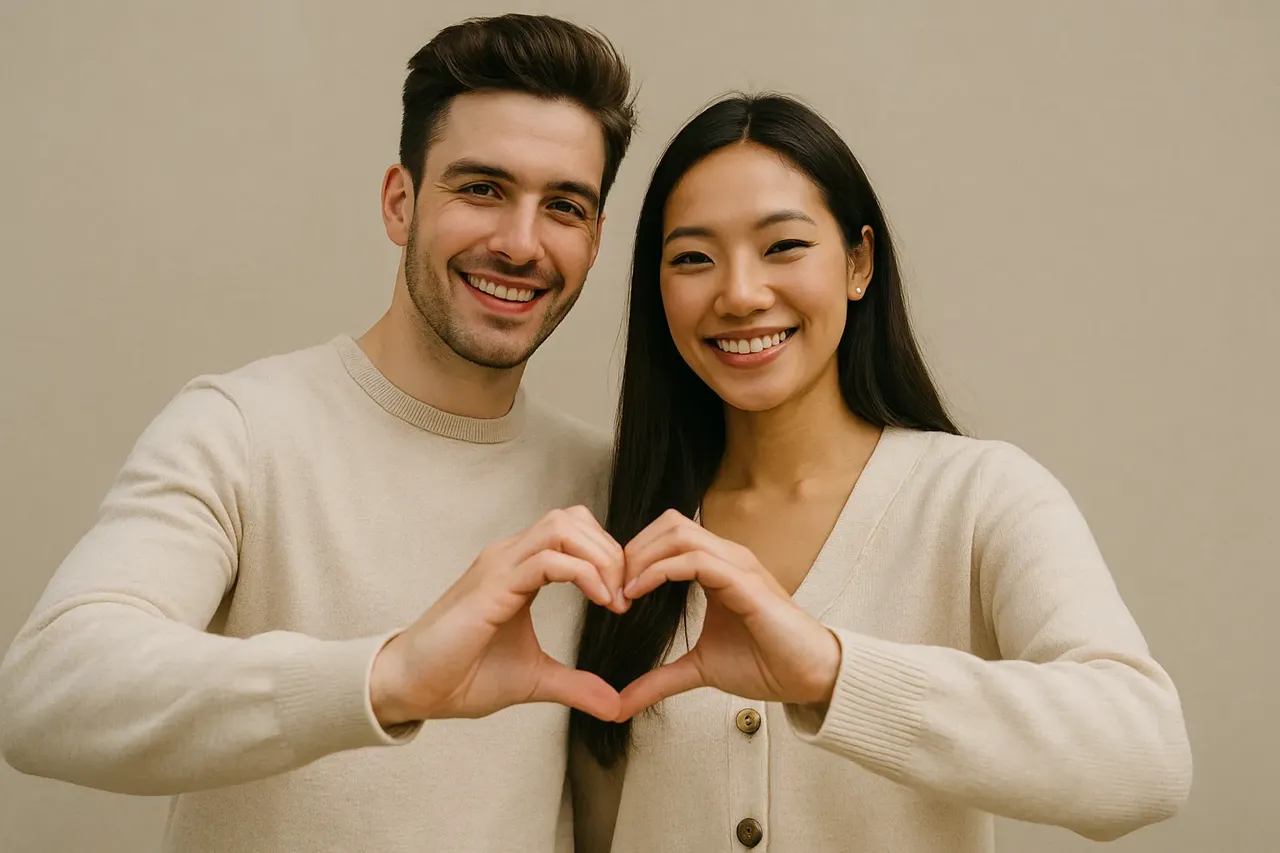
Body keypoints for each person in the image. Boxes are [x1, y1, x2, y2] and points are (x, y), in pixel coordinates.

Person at [0, 13, 639, 853]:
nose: (521, 242)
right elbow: (49, 690)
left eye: (563, 205)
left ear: (593, 240)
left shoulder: (601, 484)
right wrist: (390, 676)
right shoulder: (241, 428)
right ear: (400, 202)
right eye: (481, 188)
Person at [569, 93, 1193, 853]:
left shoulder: (978, 497)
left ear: (858, 262)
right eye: (693, 257)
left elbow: (1146, 756)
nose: (738, 293)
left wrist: (832, 672)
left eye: (784, 246)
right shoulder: (611, 522)